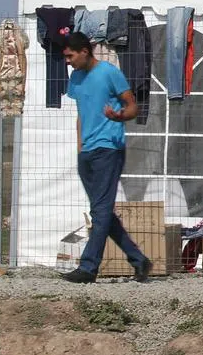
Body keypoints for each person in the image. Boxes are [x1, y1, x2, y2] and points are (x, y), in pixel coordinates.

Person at [60, 32, 152, 284]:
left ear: (84, 52)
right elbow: (81, 114)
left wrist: (119, 116)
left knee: (100, 211)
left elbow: (133, 106)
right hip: (87, 152)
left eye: (70, 56)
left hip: (109, 149)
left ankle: (88, 267)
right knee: (102, 213)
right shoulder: (75, 78)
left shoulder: (110, 72)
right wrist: (80, 149)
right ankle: (139, 259)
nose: (67, 61)